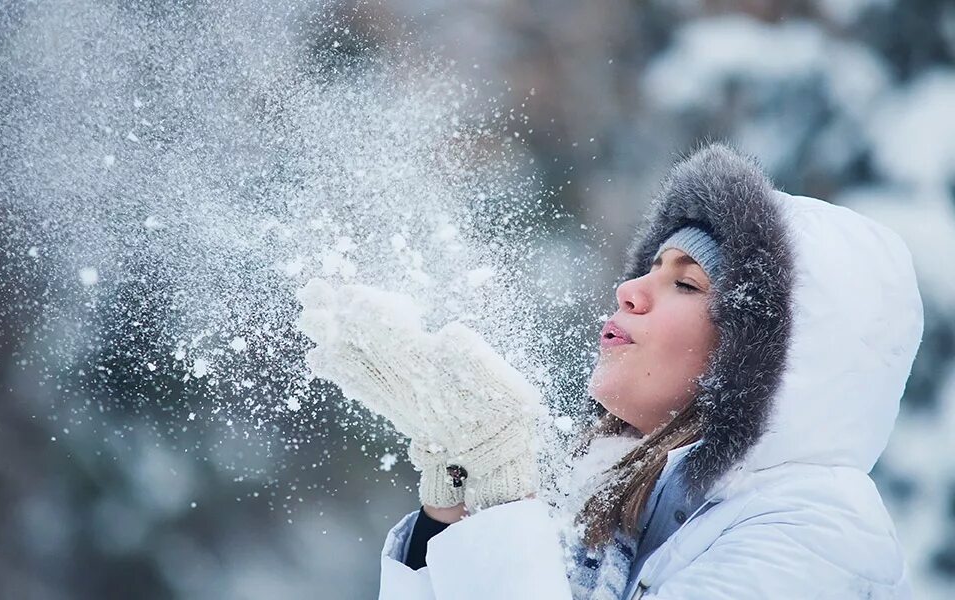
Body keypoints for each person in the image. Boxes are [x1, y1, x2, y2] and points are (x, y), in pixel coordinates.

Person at [296, 142, 924, 599]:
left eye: (685, 282)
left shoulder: (814, 535)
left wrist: (502, 506)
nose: (630, 288)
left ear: (762, 355)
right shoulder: (627, 504)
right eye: (648, 265)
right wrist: (454, 512)